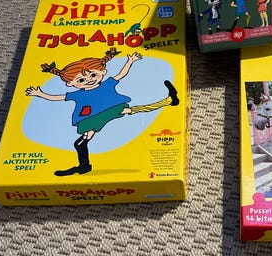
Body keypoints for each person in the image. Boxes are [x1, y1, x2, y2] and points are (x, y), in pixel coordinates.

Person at [25, 47, 179, 176]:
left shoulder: (106, 85)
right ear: (71, 83)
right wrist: (40, 94)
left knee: (132, 110)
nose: (89, 80)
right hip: (92, 118)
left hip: (110, 110)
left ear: (102, 72)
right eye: (81, 80)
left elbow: (121, 75)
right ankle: (84, 166)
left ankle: (169, 101)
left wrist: (130, 61)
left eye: (93, 75)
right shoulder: (77, 94)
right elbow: (56, 97)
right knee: (81, 142)